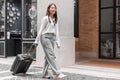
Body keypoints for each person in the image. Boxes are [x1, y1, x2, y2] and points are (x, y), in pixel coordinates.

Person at [34, 3, 67, 79]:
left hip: (52, 38)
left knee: (47, 57)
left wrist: (58, 42)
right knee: (51, 55)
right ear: (48, 9)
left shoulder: (55, 19)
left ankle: (44, 74)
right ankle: (57, 73)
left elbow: (57, 31)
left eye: (54, 8)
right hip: (45, 37)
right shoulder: (45, 18)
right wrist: (37, 40)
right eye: (52, 8)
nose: (53, 9)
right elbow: (41, 29)